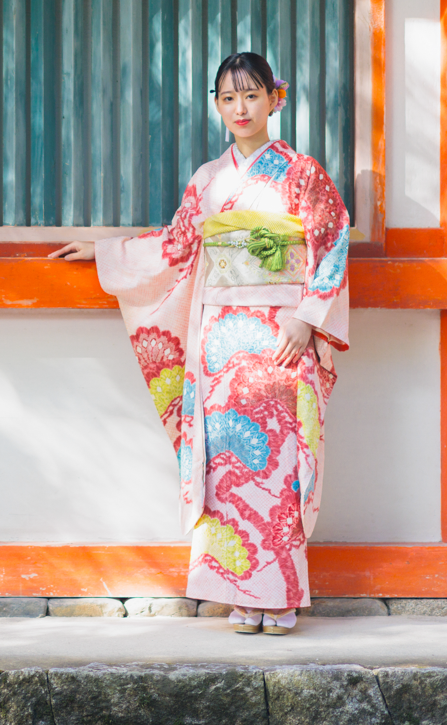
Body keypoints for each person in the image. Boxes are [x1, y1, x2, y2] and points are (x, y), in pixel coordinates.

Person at [49, 51, 349, 635]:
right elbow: (178, 245)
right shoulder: (209, 180)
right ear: (216, 106)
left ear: (275, 100)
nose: (241, 108)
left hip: (280, 336)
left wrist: (308, 320)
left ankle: (281, 595)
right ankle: (241, 594)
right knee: (226, 466)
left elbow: (332, 245)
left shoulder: (303, 174)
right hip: (218, 342)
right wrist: (104, 252)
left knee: (280, 466)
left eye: (253, 95)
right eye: (229, 98)